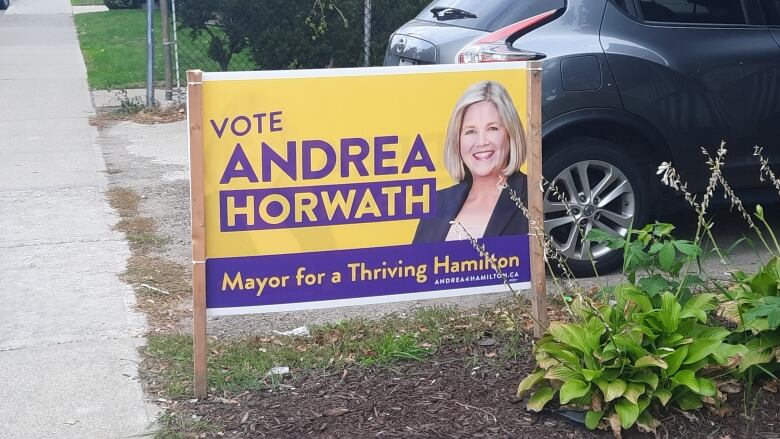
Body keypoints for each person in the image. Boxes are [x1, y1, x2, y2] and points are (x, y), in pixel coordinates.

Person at [413, 80, 528, 243]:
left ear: (510, 134)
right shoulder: (437, 203)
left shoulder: (535, 198)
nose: (481, 142)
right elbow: (417, 266)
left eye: (492, 128)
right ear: (457, 140)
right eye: (470, 131)